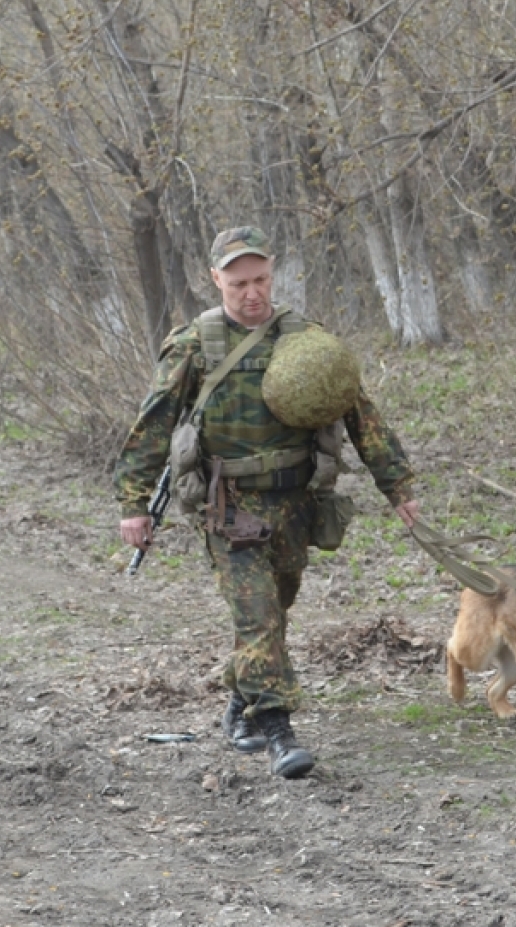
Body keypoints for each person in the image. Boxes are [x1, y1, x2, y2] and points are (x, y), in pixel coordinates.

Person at [114, 226, 420, 779]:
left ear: (272, 273)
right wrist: (134, 503)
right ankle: (278, 731)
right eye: (238, 284)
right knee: (257, 619)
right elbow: (153, 425)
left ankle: (240, 702)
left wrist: (396, 486)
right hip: (227, 507)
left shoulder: (303, 338)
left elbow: (360, 414)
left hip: (294, 504)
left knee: (272, 616)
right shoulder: (195, 345)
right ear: (216, 280)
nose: (251, 293)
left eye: (259, 280)